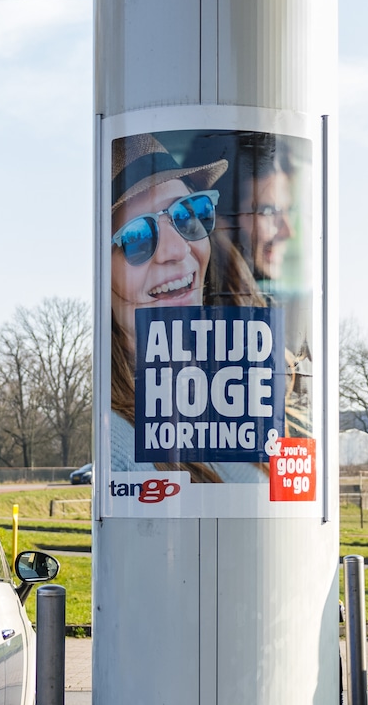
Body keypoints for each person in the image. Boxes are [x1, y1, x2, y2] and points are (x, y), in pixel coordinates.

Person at [107, 132, 267, 483]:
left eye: (187, 214)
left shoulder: (241, 392)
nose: (177, 250)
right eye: (137, 237)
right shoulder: (116, 444)